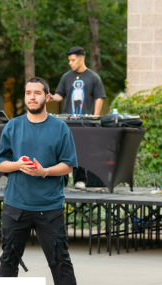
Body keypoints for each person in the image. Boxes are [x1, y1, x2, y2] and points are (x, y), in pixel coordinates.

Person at [0, 77, 78, 285]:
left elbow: (68, 165)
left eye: (38, 93)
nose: (32, 97)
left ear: (47, 97)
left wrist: (44, 172)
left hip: (49, 207)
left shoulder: (60, 128)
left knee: (60, 261)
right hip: (16, 206)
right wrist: (17, 164)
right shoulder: (13, 126)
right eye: (28, 93)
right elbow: (1, 163)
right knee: (8, 261)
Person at [50, 46, 107, 190]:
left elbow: (99, 97)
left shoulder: (93, 77)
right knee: (63, 150)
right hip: (67, 122)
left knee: (81, 150)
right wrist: (50, 97)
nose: (70, 63)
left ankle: (80, 180)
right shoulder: (66, 77)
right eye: (69, 60)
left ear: (81, 60)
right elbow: (59, 95)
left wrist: (95, 116)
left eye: (73, 60)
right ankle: (61, 180)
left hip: (84, 123)